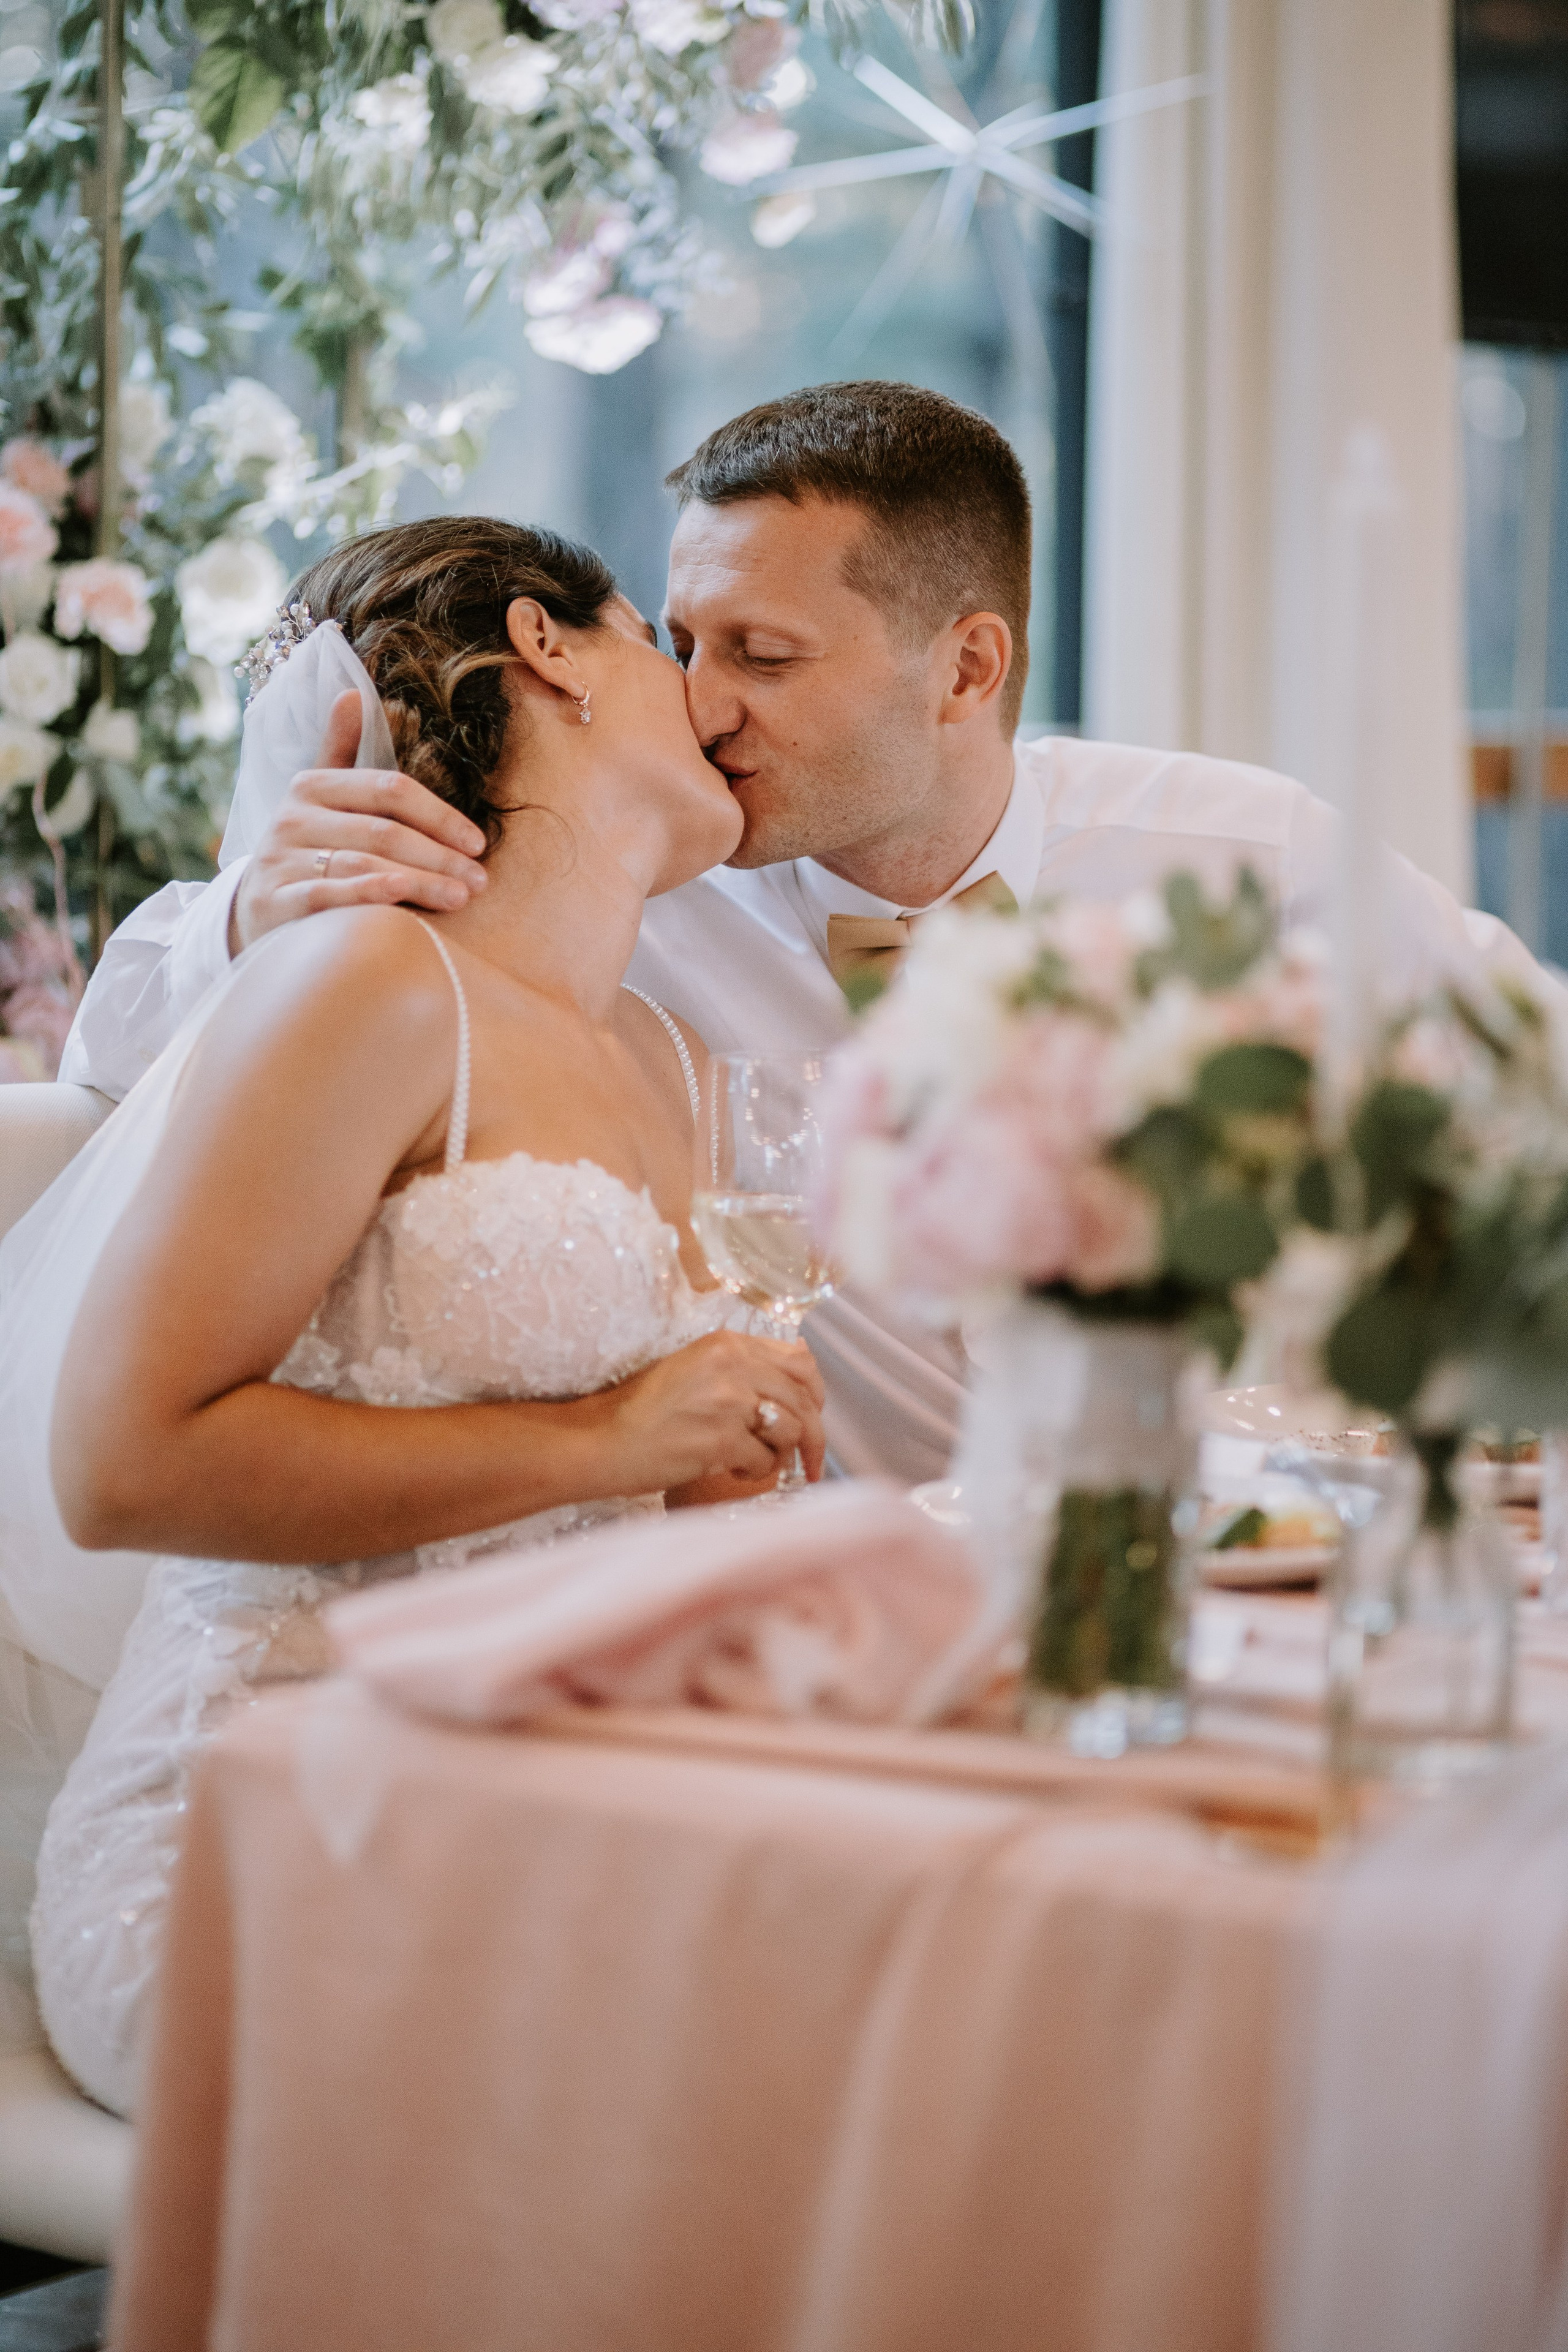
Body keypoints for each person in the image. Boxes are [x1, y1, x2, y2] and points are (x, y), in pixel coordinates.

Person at [60, 380, 1549, 1486]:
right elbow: (118, 1066)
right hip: (846, 1608)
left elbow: (1531, 1087)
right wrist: (251, 911)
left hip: (1227, 1556)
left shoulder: (1243, 861)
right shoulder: (624, 895)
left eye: (762, 656)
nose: (702, 704)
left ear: (965, 670)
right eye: (682, 645)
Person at [11, 515, 826, 2117]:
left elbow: (650, 1500)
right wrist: (609, 1441)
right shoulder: (366, 982)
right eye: (662, 643)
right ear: (548, 647)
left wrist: (710, 1469)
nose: (707, 696)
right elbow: (119, 1468)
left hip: (566, 1789)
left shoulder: (672, 1058)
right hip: (277, 1818)